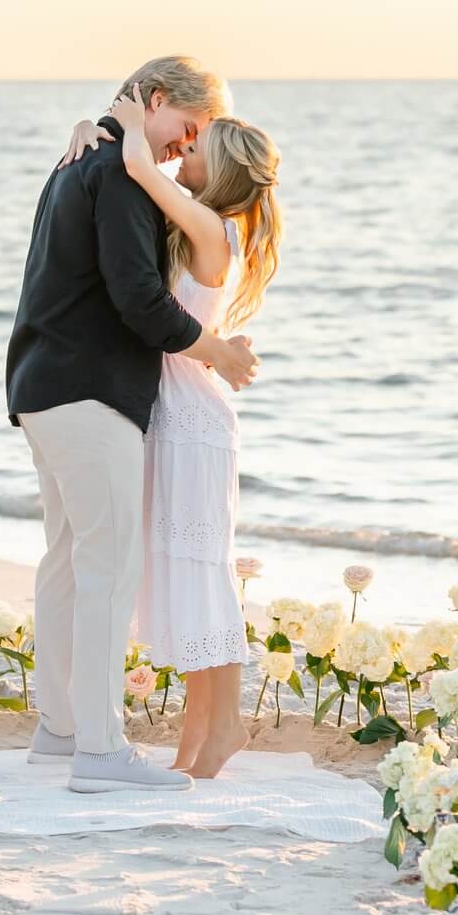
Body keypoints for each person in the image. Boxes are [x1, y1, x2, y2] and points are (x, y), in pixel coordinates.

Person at [5, 56, 258, 794]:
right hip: (90, 392)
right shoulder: (115, 167)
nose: (184, 148)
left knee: (67, 558)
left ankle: (60, 727)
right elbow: (139, 302)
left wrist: (102, 128)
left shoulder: (78, 157)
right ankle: (100, 749)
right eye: (184, 130)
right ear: (154, 100)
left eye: (196, 142)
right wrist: (213, 348)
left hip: (40, 382)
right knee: (107, 567)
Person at [64, 86, 283, 778]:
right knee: (189, 575)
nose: (183, 151)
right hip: (178, 415)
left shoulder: (214, 231)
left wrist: (123, 122)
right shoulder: (198, 226)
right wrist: (83, 127)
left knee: (201, 575)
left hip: (196, 422)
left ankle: (223, 728)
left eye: (197, 149)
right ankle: (202, 737)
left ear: (217, 173)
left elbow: (136, 164)